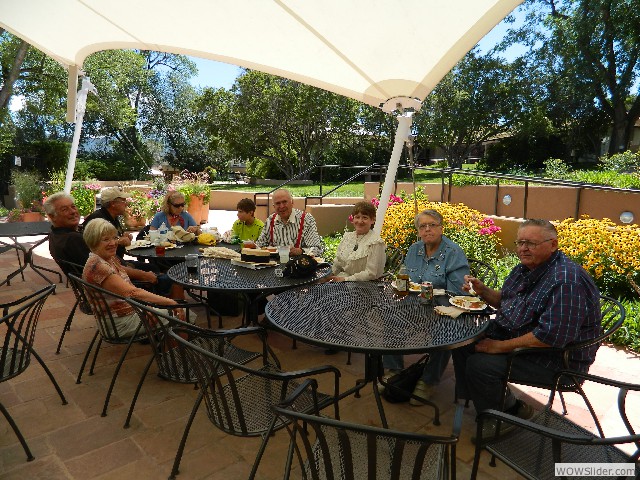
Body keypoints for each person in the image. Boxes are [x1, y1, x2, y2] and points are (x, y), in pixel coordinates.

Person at [452, 219, 601, 441]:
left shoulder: (566, 281)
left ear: (553, 244)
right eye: (520, 242)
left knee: (480, 364)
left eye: (531, 243)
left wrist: (498, 347)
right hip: (522, 338)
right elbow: (505, 301)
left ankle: (500, 418)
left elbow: (550, 337)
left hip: (557, 360)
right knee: (463, 340)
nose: (523, 248)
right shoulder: (525, 268)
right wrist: (482, 290)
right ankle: (502, 403)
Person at [382, 209, 470, 405]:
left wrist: (427, 293)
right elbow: (405, 278)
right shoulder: (414, 250)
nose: (428, 229)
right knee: (389, 316)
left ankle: (429, 380)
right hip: (414, 303)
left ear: (441, 228)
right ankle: (393, 370)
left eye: (432, 225)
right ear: (418, 231)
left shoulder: (453, 252)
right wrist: (400, 288)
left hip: (442, 306)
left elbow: (457, 292)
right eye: (423, 226)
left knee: (445, 329)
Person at [82, 219, 190, 337]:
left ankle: (168, 347)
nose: (113, 243)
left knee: (180, 311)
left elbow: (124, 272)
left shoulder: (106, 257)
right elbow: (132, 292)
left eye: (114, 238)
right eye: (106, 239)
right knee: (181, 314)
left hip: (129, 312)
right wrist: (169, 302)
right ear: (93, 241)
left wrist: (145, 278)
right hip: (120, 323)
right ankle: (174, 353)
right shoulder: (98, 266)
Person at [44, 192, 164, 291]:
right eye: (65, 209)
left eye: (73, 206)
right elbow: (107, 270)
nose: (73, 211)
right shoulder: (73, 239)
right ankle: (168, 312)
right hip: (110, 289)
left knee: (155, 269)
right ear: (52, 216)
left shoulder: (56, 235)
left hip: (104, 282)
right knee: (163, 277)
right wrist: (144, 275)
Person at [325, 201, 385, 282]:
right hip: (342, 283)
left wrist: (346, 279)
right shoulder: (347, 237)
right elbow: (338, 263)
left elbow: (371, 273)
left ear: (373, 220)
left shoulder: (375, 242)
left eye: (365, 217)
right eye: (357, 217)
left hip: (364, 286)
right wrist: (328, 276)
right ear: (353, 219)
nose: (360, 221)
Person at [255, 189, 324, 256]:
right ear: (274, 206)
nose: (281, 206)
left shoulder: (306, 219)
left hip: (299, 265)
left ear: (292, 202)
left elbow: (317, 249)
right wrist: (254, 247)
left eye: (284, 202)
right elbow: (260, 246)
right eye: (278, 203)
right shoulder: (270, 220)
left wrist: (301, 251)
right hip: (275, 265)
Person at [83, 187, 133, 259]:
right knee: (150, 268)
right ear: (113, 204)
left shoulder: (113, 216)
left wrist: (122, 236)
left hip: (115, 262)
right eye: (123, 201)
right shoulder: (98, 220)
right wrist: (119, 241)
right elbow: (93, 245)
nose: (126, 204)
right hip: (106, 264)